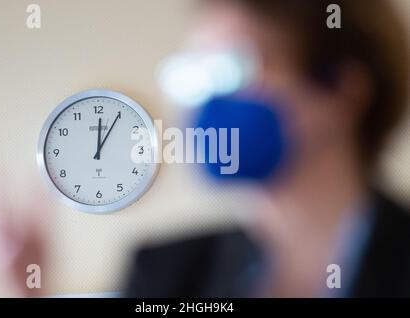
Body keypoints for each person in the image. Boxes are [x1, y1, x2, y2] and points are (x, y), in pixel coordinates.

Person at [125, 0, 410, 297]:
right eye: (197, 74)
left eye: (232, 69)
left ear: (342, 91)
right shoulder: (166, 275)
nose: (208, 103)